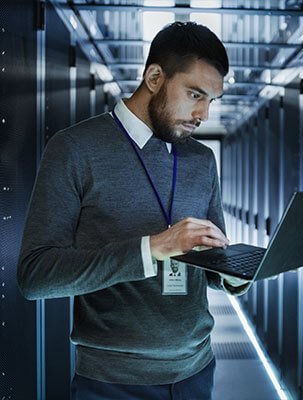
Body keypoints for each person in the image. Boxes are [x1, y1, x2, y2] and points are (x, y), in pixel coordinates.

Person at [17, 21, 251, 400]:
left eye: (212, 100)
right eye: (195, 94)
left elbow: (209, 262)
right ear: (155, 77)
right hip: (112, 382)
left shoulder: (202, 160)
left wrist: (237, 274)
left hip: (197, 370)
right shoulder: (75, 149)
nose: (203, 114)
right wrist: (152, 248)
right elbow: (35, 276)